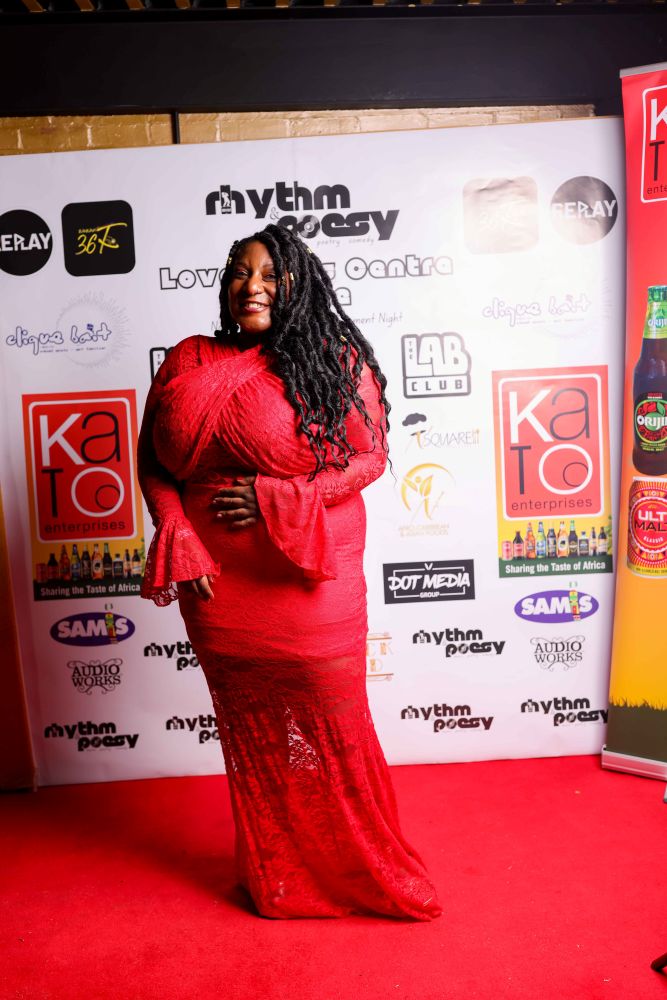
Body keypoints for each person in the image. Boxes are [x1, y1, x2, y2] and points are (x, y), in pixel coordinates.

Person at [137, 224, 441, 920]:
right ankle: (277, 872)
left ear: (299, 285)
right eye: (241, 273)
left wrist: (281, 495)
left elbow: (368, 459)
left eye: (271, 274)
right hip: (216, 584)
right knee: (253, 735)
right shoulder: (189, 357)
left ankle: (362, 869)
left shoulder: (332, 360)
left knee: (333, 728)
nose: (252, 286)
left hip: (309, 579)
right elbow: (153, 458)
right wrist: (177, 529)